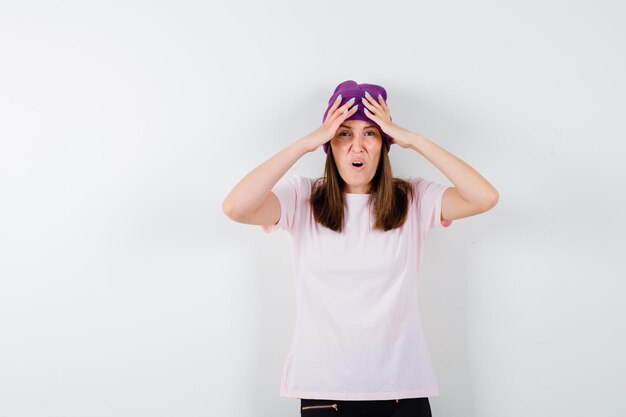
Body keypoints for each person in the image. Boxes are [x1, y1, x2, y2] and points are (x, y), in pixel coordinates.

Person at [222, 80, 499, 417]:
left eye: (370, 133)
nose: (358, 147)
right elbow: (236, 207)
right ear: (329, 142)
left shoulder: (412, 198)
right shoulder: (302, 198)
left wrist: (414, 140)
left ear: (384, 143)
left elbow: (484, 197)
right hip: (324, 391)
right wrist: (304, 145)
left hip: (402, 391)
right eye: (343, 134)